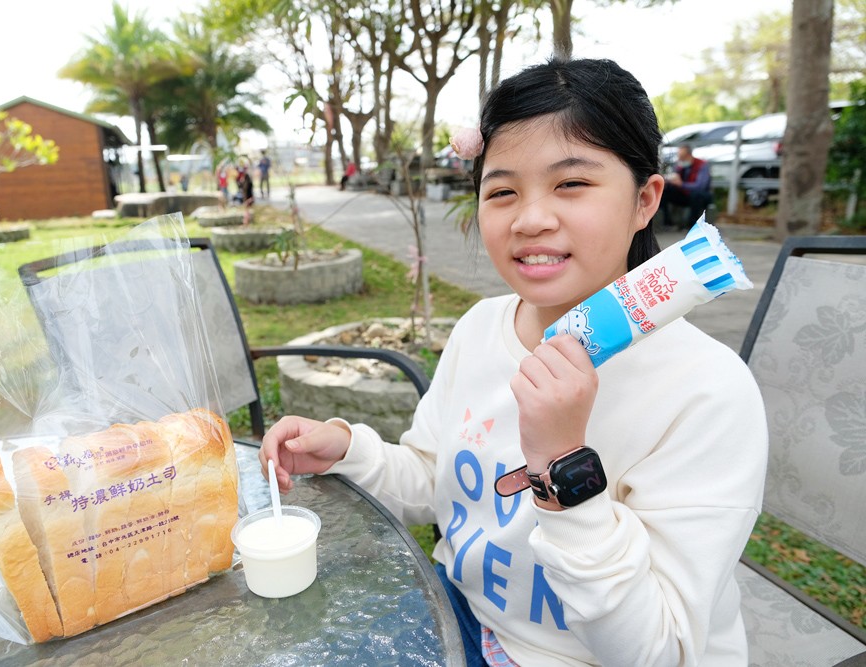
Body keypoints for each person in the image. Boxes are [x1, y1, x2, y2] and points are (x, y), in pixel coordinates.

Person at [259, 58, 767, 667]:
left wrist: (562, 467)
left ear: (644, 199)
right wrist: (348, 450)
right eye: (502, 191)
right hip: (465, 616)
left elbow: (659, 652)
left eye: (571, 184)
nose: (530, 219)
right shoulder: (479, 329)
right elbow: (436, 483)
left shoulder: (706, 391)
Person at [660, 144, 713, 228]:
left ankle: (692, 225)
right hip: (683, 194)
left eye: (682, 156)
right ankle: (667, 222)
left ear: (689, 155)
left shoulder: (702, 165)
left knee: (696, 195)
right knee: (664, 191)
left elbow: (700, 186)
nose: (680, 159)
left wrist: (682, 184)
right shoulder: (679, 165)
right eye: (679, 156)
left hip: (701, 196)